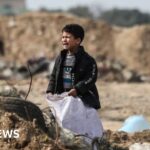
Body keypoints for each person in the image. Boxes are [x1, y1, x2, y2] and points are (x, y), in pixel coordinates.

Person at [46, 24, 100, 110]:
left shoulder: (88, 60)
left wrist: (77, 89)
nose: (64, 40)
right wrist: (50, 91)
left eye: (67, 37)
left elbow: (91, 78)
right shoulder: (60, 58)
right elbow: (53, 76)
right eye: (63, 37)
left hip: (82, 99)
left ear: (78, 40)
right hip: (63, 98)